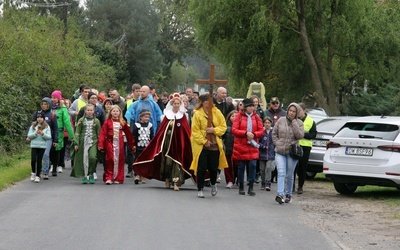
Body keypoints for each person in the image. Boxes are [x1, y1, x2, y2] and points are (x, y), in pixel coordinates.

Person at [133, 94, 193, 191]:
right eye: (175, 103)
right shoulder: (166, 115)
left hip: (179, 143)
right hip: (167, 142)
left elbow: (185, 131)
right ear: (172, 104)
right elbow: (162, 130)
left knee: (178, 162)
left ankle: (176, 181)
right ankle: (167, 178)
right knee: (167, 161)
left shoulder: (183, 115)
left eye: (178, 103)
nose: (176, 105)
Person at [190, 94, 228, 198]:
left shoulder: (217, 112)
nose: (209, 103)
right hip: (202, 146)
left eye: (211, 101)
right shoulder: (197, 114)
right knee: (201, 168)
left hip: (214, 145)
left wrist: (214, 130)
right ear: (202, 102)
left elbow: (223, 127)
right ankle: (200, 188)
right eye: (207, 101)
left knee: (213, 168)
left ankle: (213, 183)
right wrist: (203, 141)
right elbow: (195, 131)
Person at [272, 103, 304, 204]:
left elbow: (299, 136)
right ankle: (280, 194)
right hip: (280, 151)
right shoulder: (281, 120)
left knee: (289, 174)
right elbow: (274, 133)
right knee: (281, 172)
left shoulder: (299, 123)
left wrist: (294, 122)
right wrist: (277, 143)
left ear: (296, 113)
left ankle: (288, 194)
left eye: (294, 111)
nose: (291, 113)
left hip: (292, 152)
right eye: (290, 110)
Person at [232, 98, 264, 196]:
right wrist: (245, 133)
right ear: (245, 107)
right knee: (241, 167)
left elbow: (261, 130)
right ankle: (241, 185)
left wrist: (254, 134)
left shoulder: (257, 117)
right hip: (241, 145)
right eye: (250, 106)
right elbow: (234, 130)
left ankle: (251, 186)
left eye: (252, 106)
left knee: (253, 166)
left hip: (252, 145)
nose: (252, 108)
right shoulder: (239, 116)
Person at [98, 105, 135, 184]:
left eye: (117, 111)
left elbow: (128, 134)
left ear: (119, 113)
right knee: (110, 159)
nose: (115, 113)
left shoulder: (122, 122)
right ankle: (109, 177)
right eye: (113, 111)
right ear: (110, 112)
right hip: (109, 142)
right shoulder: (107, 122)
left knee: (120, 160)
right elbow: (102, 133)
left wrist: (132, 145)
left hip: (120, 143)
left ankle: (118, 177)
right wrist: (100, 144)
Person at [27, 98, 58, 179]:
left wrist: (55, 140)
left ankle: (45, 171)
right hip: (36, 138)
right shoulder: (37, 114)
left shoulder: (52, 115)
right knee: (35, 158)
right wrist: (28, 136)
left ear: (49, 105)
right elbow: (32, 126)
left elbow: (55, 128)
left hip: (47, 137)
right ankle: (36, 172)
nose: (44, 106)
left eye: (46, 104)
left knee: (46, 154)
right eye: (42, 104)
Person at [70, 104, 101, 184]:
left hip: (93, 142)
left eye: (91, 110)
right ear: (85, 111)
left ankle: (91, 173)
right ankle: (85, 175)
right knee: (84, 158)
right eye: (88, 110)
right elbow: (77, 133)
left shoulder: (96, 121)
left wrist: (100, 144)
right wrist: (76, 143)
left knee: (92, 157)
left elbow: (99, 133)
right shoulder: (81, 120)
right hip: (83, 142)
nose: (89, 112)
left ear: (93, 111)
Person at [51, 90, 74, 176]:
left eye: (55, 98)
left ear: (58, 98)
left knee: (57, 149)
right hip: (50, 131)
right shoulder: (50, 107)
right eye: (52, 97)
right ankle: (52, 164)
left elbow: (67, 122)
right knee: (50, 150)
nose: (53, 99)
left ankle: (57, 167)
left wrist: (71, 135)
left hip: (59, 131)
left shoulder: (63, 108)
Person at [295, 103, 317, 194]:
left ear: (304, 110)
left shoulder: (311, 121)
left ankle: (300, 186)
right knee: (294, 166)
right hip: (296, 145)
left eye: (299, 110)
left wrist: (303, 134)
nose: (298, 112)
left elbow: (313, 134)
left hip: (306, 147)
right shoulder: (294, 120)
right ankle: (291, 186)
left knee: (303, 167)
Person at [131, 109, 154, 184]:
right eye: (145, 117)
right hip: (138, 146)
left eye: (148, 117)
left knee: (145, 161)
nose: (146, 118)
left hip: (146, 147)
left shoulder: (150, 125)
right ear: (140, 117)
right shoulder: (136, 125)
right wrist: (133, 145)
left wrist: (152, 145)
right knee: (137, 160)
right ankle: (137, 175)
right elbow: (134, 136)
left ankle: (143, 176)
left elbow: (152, 136)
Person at [27, 111, 52, 183]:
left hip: (42, 146)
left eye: (41, 117)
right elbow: (29, 135)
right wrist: (35, 133)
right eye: (38, 117)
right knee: (33, 159)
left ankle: (38, 175)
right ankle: (33, 173)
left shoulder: (47, 127)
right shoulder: (33, 126)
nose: (39, 119)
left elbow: (49, 137)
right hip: (34, 145)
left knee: (39, 160)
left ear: (43, 118)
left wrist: (43, 134)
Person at [258, 116, 275, 191]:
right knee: (262, 169)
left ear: (271, 123)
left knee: (268, 168)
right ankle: (263, 183)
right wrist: (263, 146)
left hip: (271, 154)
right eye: (265, 123)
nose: (267, 124)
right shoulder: (261, 132)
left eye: (268, 123)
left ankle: (268, 183)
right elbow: (258, 142)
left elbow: (276, 141)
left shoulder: (273, 132)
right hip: (262, 154)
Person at [222, 110, 238, 188]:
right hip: (228, 148)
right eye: (232, 116)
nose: (234, 118)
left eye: (236, 116)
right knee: (228, 166)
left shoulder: (240, 126)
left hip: (238, 149)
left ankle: (236, 178)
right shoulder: (225, 127)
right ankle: (229, 180)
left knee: (236, 165)